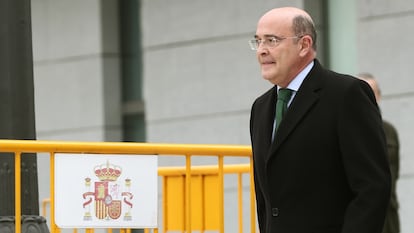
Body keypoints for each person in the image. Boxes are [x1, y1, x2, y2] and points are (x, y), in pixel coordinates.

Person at [249, 7, 391, 233]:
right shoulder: (261, 107)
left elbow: (372, 188)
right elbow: (267, 200)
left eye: (272, 40)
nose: (262, 51)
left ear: (304, 45)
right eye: (258, 41)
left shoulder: (347, 94)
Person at [358, 73, 400, 233]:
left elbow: (391, 173)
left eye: (371, 92)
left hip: (387, 217)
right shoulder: (345, 131)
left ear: (379, 96)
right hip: (359, 216)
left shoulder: (389, 131)